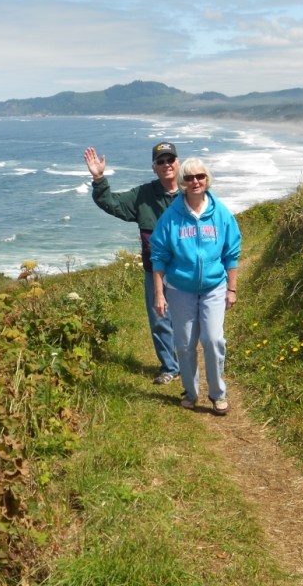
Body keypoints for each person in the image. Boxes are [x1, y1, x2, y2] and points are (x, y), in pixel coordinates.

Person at [149, 157, 241, 415]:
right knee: (185, 344)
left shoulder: (220, 213)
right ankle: (191, 392)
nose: (195, 182)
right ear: (182, 183)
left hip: (214, 286)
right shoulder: (171, 217)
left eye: (199, 176)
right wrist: (159, 294)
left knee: (213, 340)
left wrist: (231, 289)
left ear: (207, 179)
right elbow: (158, 256)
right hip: (180, 289)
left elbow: (231, 253)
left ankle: (218, 394)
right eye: (188, 178)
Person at [84, 142, 181, 384]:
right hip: (155, 271)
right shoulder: (143, 195)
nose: (166, 164)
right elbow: (111, 203)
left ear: (178, 163)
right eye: (161, 161)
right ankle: (170, 367)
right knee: (160, 320)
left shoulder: (192, 191)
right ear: (154, 167)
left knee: (191, 319)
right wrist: (99, 180)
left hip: (187, 269)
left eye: (170, 159)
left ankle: (194, 363)